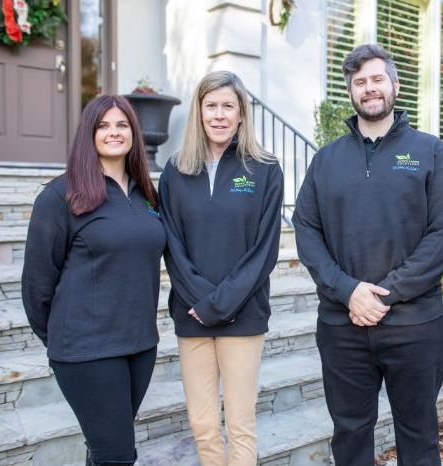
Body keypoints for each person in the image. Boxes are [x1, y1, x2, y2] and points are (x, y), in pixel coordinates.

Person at [292, 44, 443, 466]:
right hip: (342, 325)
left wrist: (383, 295)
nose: (369, 89)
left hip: (414, 325)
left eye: (377, 79)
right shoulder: (326, 161)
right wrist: (348, 291)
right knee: (349, 433)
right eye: (359, 82)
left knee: (418, 433)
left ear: (395, 85)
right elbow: (306, 228)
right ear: (350, 91)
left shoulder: (431, 153)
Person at [21, 95, 166, 466]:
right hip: (87, 350)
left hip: (139, 345)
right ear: (89, 133)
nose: (114, 132)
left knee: (105, 451)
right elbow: (37, 284)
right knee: (117, 455)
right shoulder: (61, 195)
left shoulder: (146, 194)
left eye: (122, 125)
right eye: (103, 125)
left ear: (134, 132)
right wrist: (63, 341)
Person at [158, 70, 282, 466]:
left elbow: (264, 251)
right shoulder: (175, 171)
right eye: (211, 105)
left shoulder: (264, 170)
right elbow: (172, 245)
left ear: (242, 113)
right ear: (198, 111)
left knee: (241, 425)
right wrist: (201, 301)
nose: (219, 114)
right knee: (204, 424)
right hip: (191, 314)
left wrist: (220, 303)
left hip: (243, 316)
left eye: (228, 105)